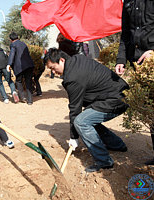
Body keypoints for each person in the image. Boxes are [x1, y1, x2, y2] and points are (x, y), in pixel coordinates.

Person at [44, 48, 129, 172]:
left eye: (53, 67)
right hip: (118, 95)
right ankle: (116, 144)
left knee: (81, 121)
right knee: (88, 117)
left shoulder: (72, 77)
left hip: (115, 100)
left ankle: (104, 161)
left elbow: (74, 109)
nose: (54, 72)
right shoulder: (77, 59)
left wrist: (74, 137)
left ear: (61, 60)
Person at [116, 0, 154, 165]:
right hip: (138, 62)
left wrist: (153, 52)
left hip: (152, 58)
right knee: (150, 110)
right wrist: (121, 59)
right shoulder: (128, 3)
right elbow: (125, 33)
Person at [7, 32, 34, 105]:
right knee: (28, 82)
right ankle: (30, 100)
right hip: (29, 65)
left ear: (10, 39)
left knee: (18, 81)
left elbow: (12, 54)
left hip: (20, 66)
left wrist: (9, 64)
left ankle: (22, 97)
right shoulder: (23, 43)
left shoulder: (13, 44)